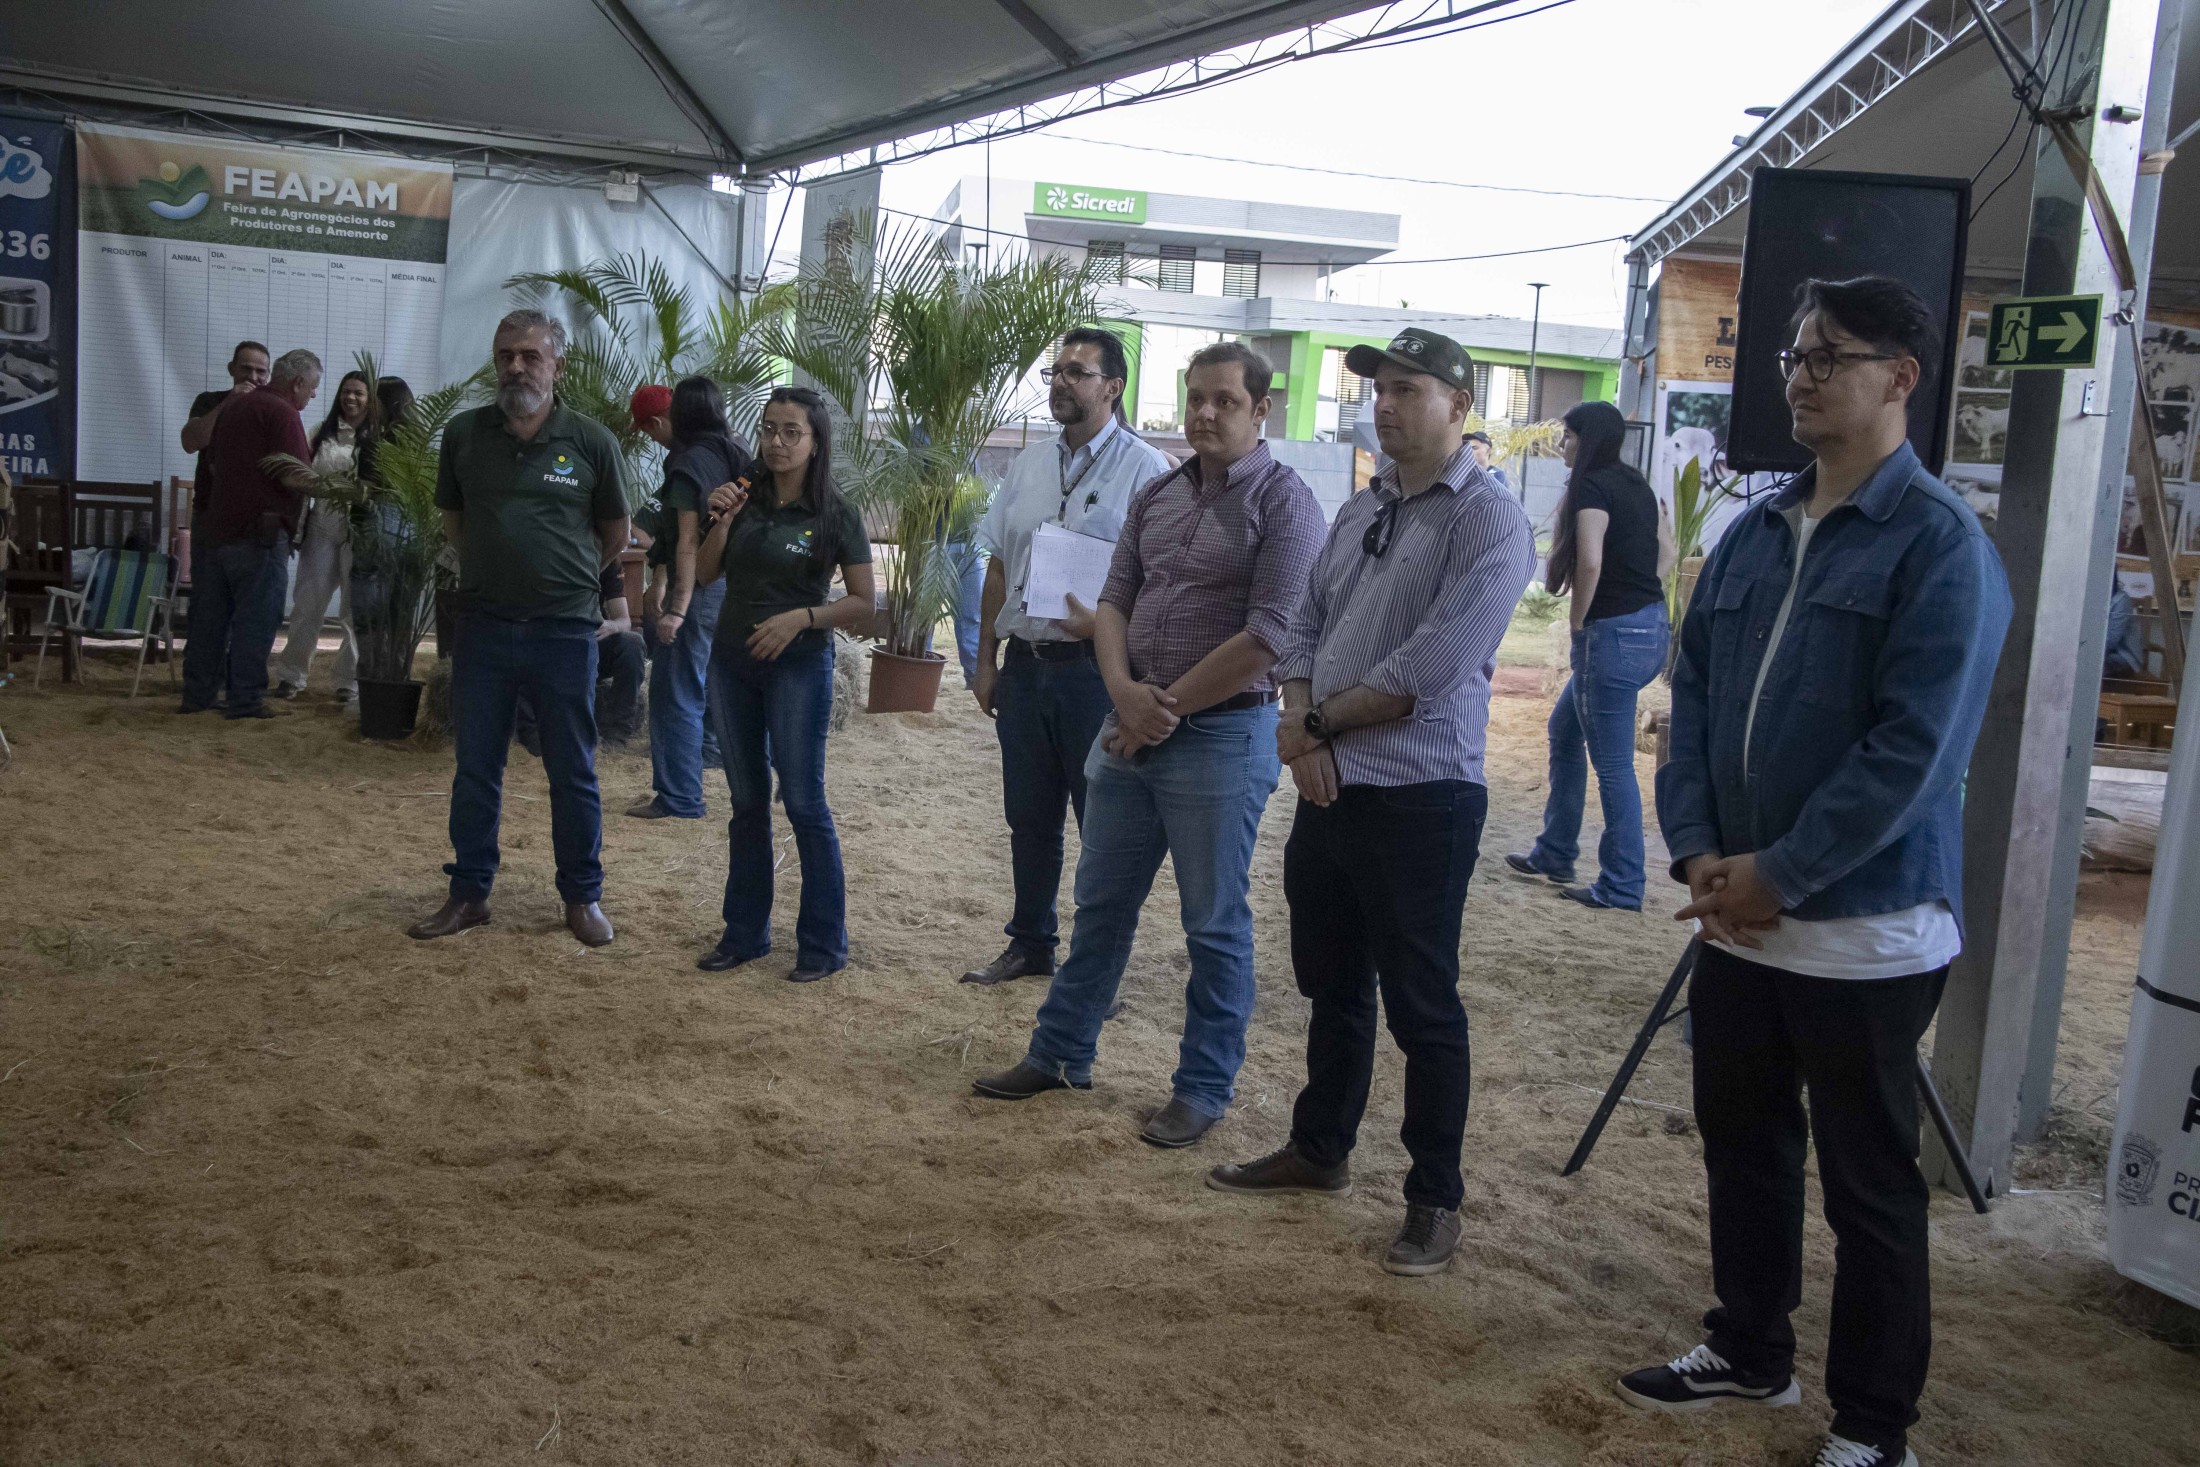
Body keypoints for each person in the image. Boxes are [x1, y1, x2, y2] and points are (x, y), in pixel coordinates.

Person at [1621, 277, 2011, 1467]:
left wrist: (1783, 872)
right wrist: (1697, 850)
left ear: (1900, 377)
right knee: (1742, 1143)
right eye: (1794, 355)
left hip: (1861, 928)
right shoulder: (1756, 531)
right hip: (1735, 913)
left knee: (1866, 1183)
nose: (1799, 376)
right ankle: (1749, 1348)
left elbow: (1913, 752)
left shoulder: (1940, 546)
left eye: (1828, 357)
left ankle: (1874, 1425)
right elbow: (1690, 705)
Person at [1206, 330, 1533, 1276]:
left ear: (1459, 406)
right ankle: (1321, 1148)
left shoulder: (1490, 521)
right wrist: (1305, 724)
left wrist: (1315, 725)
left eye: (1407, 389)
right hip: (1330, 788)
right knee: (1332, 985)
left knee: (1423, 1005)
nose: (1384, 405)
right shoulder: (1363, 507)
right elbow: (1306, 621)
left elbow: (1436, 663)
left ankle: (1434, 1197)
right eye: (1378, 390)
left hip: (1422, 796)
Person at [971, 341, 1324, 1149]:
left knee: (1213, 923)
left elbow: (1270, 633)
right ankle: (1060, 1053)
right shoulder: (1161, 493)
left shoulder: (1286, 503)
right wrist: (1126, 696)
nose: (1206, 412)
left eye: (1225, 400)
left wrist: (1161, 707)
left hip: (1221, 733)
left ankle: (1202, 1088)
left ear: (1261, 409)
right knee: (1099, 904)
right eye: (1196, 397)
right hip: (1130, 727)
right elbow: (1113, 602)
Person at [407, 310, 630, 949]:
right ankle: (470, 893)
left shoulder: (591, 442)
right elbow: (455, 524)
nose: (516, 367)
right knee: (476, 767)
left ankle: (582, 896)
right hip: (483, 626)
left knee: (572, 768)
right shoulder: (463, 435)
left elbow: (615, 536)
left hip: (565, 632)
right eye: (506, 355)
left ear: (558, 365)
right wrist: (500, 571)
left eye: (531, 356)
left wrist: (561, 580)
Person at [958, 327, 1171, 988]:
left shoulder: (1147, 471)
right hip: (1025, 667)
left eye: (1078, 372)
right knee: (1028, 817)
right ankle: (1030, 943)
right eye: (1056, 371)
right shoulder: (1027, 464)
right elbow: (998, 565)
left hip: (1095, 674)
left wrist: (1116, 649)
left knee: (1102, 824)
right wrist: (987, 660)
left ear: (1113, 387)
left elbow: (1161, 583)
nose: (1060, 382)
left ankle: (1095, 971)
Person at [692, 386, 876, 982]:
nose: (777, 442)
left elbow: (864, 603)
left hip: (799, 666)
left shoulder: (835, 513)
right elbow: (706, 573)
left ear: (815, 441)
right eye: (769, 429)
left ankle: (823, 945)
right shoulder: (743, 496)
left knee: (802, 802)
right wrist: (721, 521)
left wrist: (802, 619)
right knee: (746, 802)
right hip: (732, 663)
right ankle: (744, 935)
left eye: (791, 432)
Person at [1505, 400, 1674, 910]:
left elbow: (1591, 563)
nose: (1564, 444)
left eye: (1570, 436)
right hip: (1650, 627)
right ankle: (1555, 852)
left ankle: (1622, 884)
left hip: (1610, 636)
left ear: (1589, 439)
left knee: (1615, 766)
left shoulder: (1593, 488)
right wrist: (1639, 594)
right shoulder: (1637, 484)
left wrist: (1579, 626)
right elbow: (1668, 552)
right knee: (1564, 730)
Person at [629, 377, 751, 821]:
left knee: (674, 691)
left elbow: (686, 541)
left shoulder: (687, 464)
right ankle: (708, 759)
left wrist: (677, 609)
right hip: (732, 586)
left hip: (698, 587)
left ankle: (679, 796)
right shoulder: (735, 451)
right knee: (711, 682)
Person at [179, 348, 322, 719]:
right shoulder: (282, 412)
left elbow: (211, 462)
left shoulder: (231, 408)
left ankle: (198, 695)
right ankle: (245, 699)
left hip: (217, 530)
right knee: (255, 620)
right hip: (260, 535)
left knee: (209, 619)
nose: (313, 395)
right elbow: (294, 474)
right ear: (298, 383)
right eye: (312, 387)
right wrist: (333, 489)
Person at [272, 369, 380, 703]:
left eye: (358, 393)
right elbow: (299, 477)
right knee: (308, 605)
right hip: (322, 527)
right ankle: (291, 676)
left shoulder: (378, 438)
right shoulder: (320, 432)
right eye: (346, 391)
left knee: (353, 611)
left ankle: (348, 682)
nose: (351, 398)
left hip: (359, 532)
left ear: (370, 399)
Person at [516, 558, 645, 753]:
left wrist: (611, 626)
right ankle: (534, 734)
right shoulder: (547, 555)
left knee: (632, 644)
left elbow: (624, 620)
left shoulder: (608, 560)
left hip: (592, 638)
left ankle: (617, 734)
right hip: (550, 640)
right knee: (520, 643)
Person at [181, 340, 273, 521]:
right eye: (246, 369)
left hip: (255, 515)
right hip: (209, 510)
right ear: (232, 369)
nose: (253, 377)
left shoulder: (274, 410)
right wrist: (230, 401)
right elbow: (190, 443)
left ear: (268, 375)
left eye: (261, 371)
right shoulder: (209, 401)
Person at [1465, 429, 1514, 496]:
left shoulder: (1497, 475)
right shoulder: (1463, 473)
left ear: (1489, 451)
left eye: (1474, 448)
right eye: (1467, 448)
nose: (1469, 451)